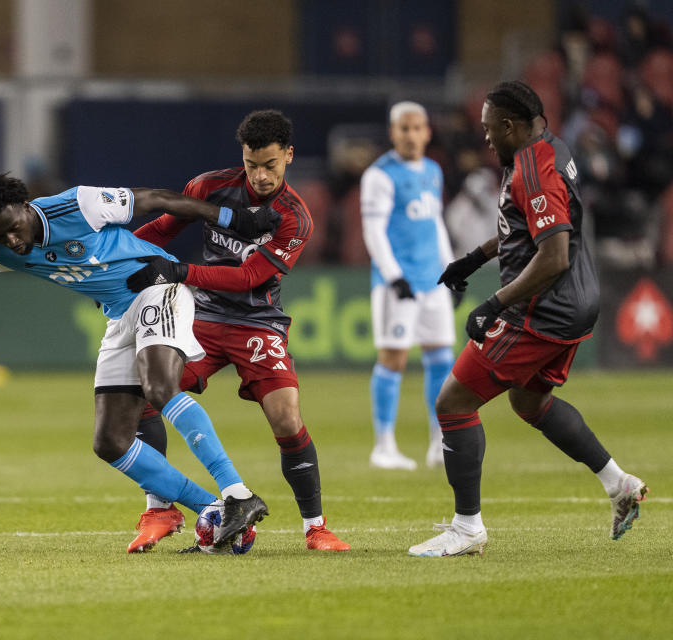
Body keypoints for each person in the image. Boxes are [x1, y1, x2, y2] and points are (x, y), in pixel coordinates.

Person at [0, 173, 278, 549]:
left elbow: (157, 199)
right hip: (119, 314)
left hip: (158, 288)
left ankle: (236, 493)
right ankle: (212, 508)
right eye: (0, 234)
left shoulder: (78, 205)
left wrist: (230, 216)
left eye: (14, 227)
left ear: (26, 205)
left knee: (159, 387)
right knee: (111, 442)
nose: (12, 240)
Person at [409, 81, 649, 557]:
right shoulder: (552, 148)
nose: (485, 140)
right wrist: (473, 259)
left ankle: (467, 528)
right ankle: (618, 483)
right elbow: (527, 225)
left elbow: (554, 254)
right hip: (577, 304)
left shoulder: (534, 170)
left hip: (543, 309)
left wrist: (494, 303)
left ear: (509, 126)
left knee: (453, 403)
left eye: (488, 131)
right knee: (529, 402)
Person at [124, 109, 351, 552]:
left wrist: (179, 271)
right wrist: (125, 251)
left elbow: (248, 278)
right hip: (203, 317)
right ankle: (159, 509)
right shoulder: (209, 187)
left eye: (270, 165)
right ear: (241, 157)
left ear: (288, 155)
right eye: (252, 165)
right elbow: (164, 228)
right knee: (145, 394)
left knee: (286, 417)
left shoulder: (295, 217)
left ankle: (315, 528)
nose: (261, 176)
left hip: (257, 322)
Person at [360, 101, 457, 471]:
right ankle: (384, 446)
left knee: (441, 360)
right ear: (393, 133)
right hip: (397, 286)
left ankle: (439, 442)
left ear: (428, 132)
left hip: (433, 282)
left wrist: (451, 270)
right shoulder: (379, 175)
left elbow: (436, 224)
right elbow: (374, 231)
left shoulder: (433, 170)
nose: (412, 135)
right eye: (405, 128)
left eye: (418, 128)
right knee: (393, 359)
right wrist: (393, 275)